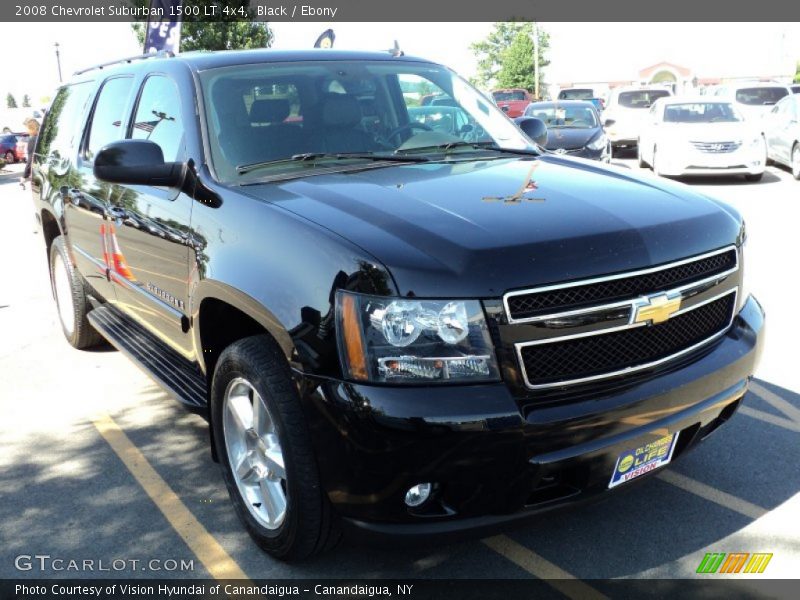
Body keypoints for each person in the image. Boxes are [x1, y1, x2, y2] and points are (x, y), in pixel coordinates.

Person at [20, 117, 40, 189]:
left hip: (39, 174)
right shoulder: (41, 137)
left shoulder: (33, 139)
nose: (26, 130)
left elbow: (31, 159)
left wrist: (24, 176)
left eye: (27, 128)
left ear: (31, 128)